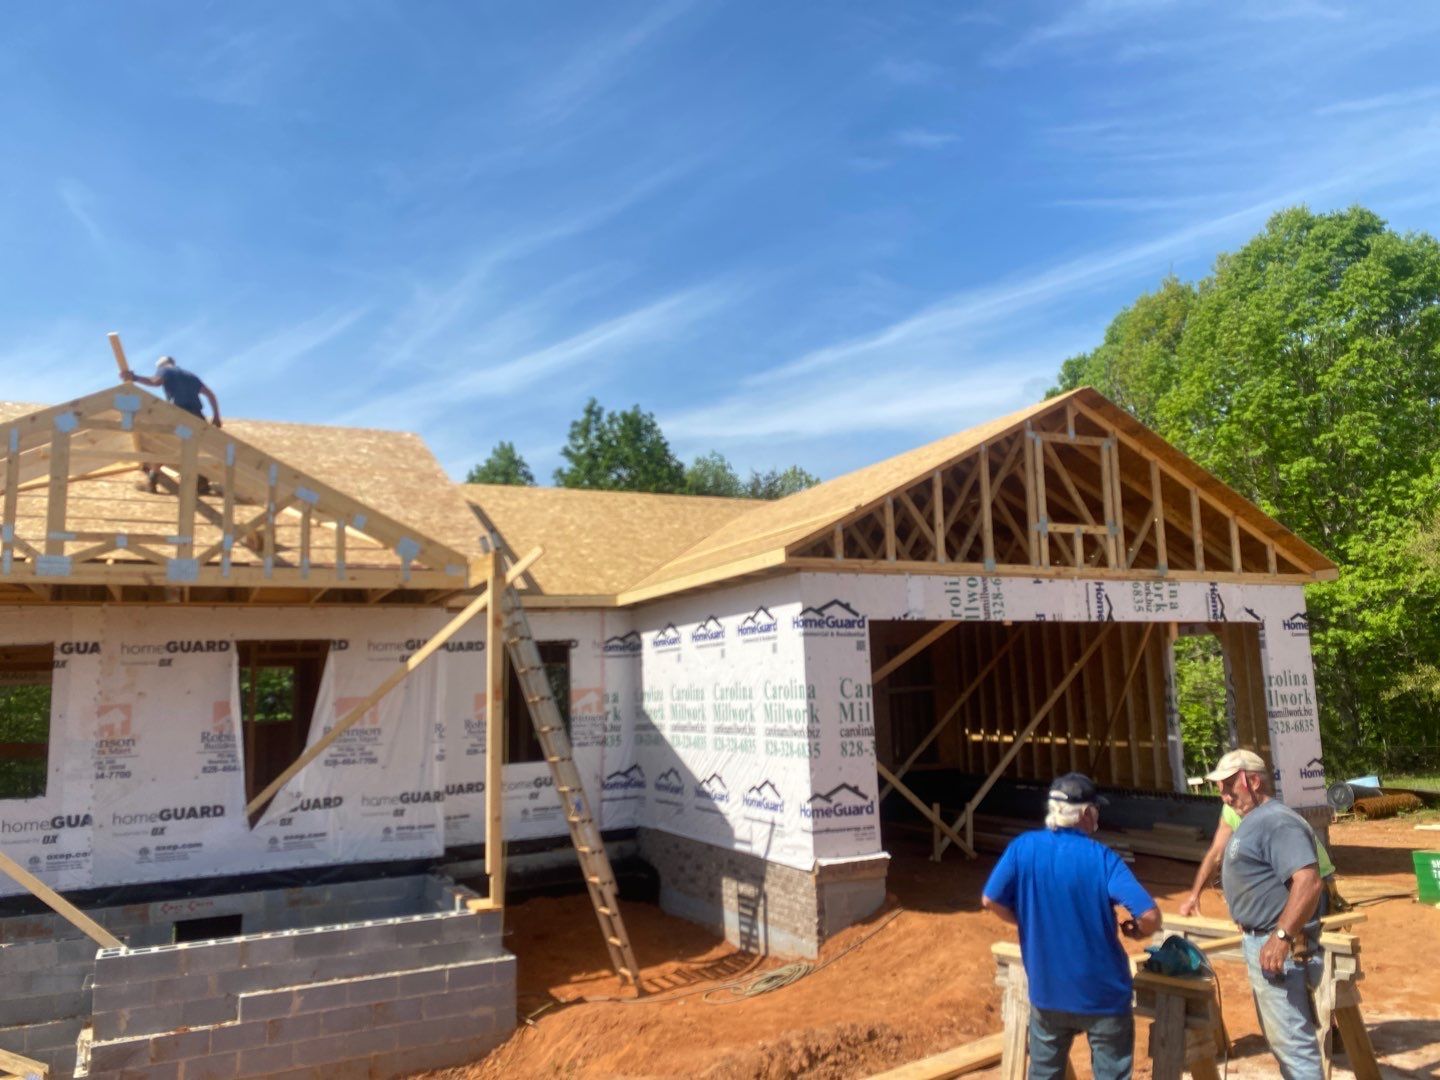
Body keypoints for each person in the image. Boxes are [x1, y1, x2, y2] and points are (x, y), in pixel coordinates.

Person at [982, 773, 1161, 1080]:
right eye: (1095, 810)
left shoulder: (1023, 848)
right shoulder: (1102, 858)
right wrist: (1137, 930)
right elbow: (1150, 916)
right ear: (1086, 814)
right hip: (1104, 995)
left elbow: (990, 900)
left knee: (1045, 1074)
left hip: (1048, 992)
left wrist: (1024, 920)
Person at [1208, 749, 1326, 1080]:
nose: (1224, 795)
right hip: (1264, 945)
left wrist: (1281, 936)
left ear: (1253, 780)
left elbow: (1309, 881)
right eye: (1220, 787)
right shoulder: (1252, 821)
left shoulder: (1276, 821)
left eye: (1230, 785)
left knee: (1294, 1047)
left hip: (1279, 951)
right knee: (1284, 1043)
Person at [1179, 799, 1346, 918]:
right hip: (1281, 882)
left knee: (1309, 945)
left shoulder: (1275, 817)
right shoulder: (1231, 810)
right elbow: (1216, 854)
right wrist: (1194, 895)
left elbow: (1304, 879)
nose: (1229, 798)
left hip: (1312, 878)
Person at [123, 357, 222, 492]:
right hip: (197, 417)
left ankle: (153, 478)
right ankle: (201, 481)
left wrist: (134, 377)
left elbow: (155, 382)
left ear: (160, 367)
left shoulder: (165, 370)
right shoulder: (190, 375)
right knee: (195, 448)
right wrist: (216, 416)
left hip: (179, 417)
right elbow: (211, 395)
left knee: (168, 445)